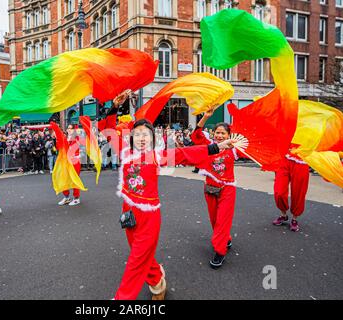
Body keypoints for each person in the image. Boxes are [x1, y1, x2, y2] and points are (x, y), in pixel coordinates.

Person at [101, 92, 235, 300]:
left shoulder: (156, 156)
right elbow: (107, 131)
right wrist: (114, 107)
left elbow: (186, 154)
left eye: (146, 134)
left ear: (152, 138)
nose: (142, 137)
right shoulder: (125, 152)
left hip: (149, 218)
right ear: (131, 137)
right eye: (137, 134)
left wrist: (216, 146)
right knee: (142, 255)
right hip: (128, 213)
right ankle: (157, 282)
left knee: (136, 260)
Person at [190, 107, 241, 269]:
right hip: (210, 188)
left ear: (228, 136)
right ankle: (226, 239)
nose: (219, 135)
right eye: (217, 133)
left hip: (227, 189)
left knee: (222, 221)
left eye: (223, 133)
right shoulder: (208, 146)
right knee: (214, 220)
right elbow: (195, 136)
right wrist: (205, 117)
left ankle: (220, 252)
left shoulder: (234, 149)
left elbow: (252, 149)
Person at [272, 146, 310, 232]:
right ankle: (283, 214)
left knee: (299, 192)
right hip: (284, 159)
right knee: (279, 192)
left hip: (302, 161)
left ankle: (294, 219)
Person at [57, 124, 82, 206]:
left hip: (75, 161)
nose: (69, 129)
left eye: (71, 128)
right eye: (68, 128)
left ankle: (76, 198)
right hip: (66, 161)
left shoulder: (77, 137)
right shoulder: (65, 138)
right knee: (64, 178)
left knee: (74, 179)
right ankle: (66, 197)